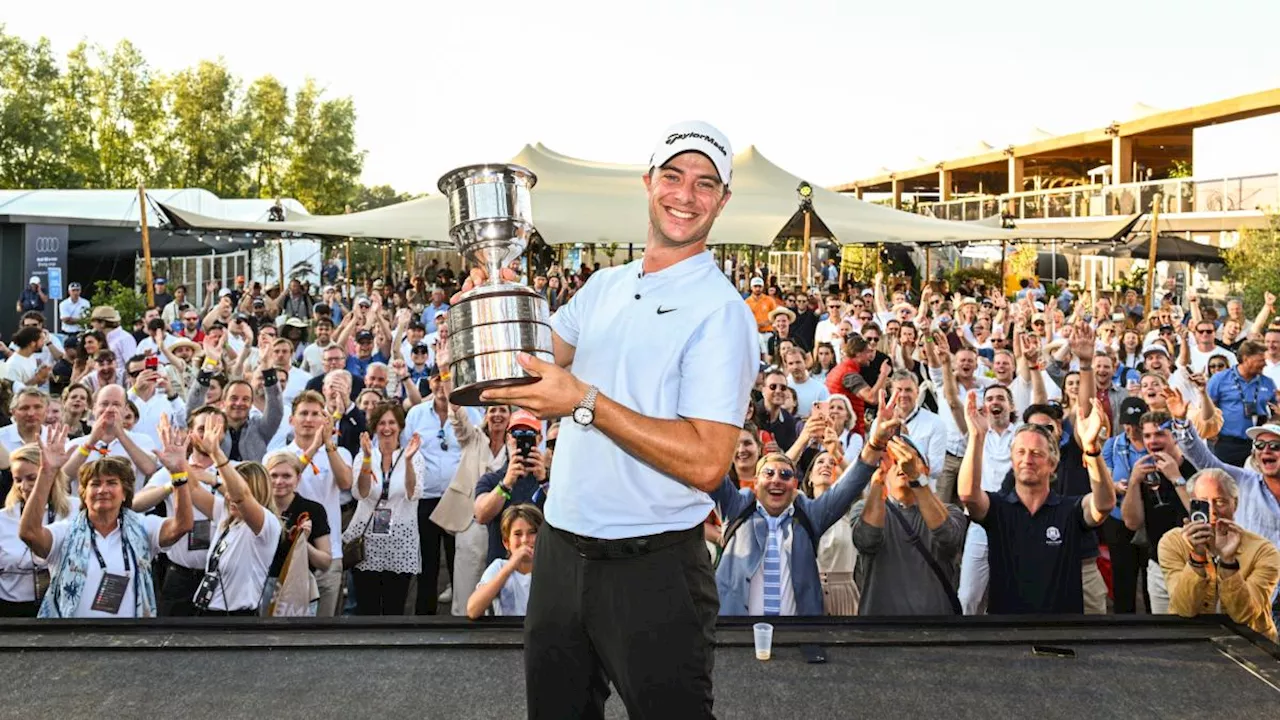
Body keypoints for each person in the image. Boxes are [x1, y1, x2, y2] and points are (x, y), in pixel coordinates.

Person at [480, 121, 757, 719]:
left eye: (706, 184)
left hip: (653, 568)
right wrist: (491, 305)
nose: (686, 194)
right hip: (559, 549)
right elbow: (521, 369)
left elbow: (709, 463)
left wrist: (586, 402)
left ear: (723, 201)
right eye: (674, 176)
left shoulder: (722, 312)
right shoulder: (604, 286)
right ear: (648, 182)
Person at [958, 394, 1116, 614]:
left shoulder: (1069, 510)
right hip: (1010, 631)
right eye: (1020, 452)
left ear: (1052, 464)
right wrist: (976, 437)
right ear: (1012, 461)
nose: (1027, 459)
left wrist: (1091, 448)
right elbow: (968, 496)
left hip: (1062, 630)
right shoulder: (998, 507)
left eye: (1036, 453)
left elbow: (1104, 504)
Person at [21, 425, 193, 617]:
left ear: (125, 493)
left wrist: (179, 475)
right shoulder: (65, 532)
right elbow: (29, 533)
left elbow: (182, 525)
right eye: (95, 484)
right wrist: (47, 472)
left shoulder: (143, 528)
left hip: (131, 639)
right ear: (84, 494)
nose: (102, 490)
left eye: (111, 483)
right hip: (71, 639)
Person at [852, 433, 967, 615]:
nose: (901, 465)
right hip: (880, 632)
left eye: (909, 459)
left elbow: (948, 537)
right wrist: (877, 482)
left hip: (937, 630)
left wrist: (916, 477)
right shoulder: (863, 509)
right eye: (893, 460)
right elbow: (867, 540)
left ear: (926, 470)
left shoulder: (951, 512)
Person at [1159, 468, 1279, 641]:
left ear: (1235, 504)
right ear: (1191, 504)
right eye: (1203, 503)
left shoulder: (1263, 550)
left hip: (1251, 644)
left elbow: (1245, 615)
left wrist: (1228, 562)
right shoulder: (1173, 542)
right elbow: (1184, 609)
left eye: (1220, 502)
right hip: (1193, 640)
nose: (1212, 511)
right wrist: (1197, 557)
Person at [181, 414, 282, 616]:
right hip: (205, 611)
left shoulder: (265, 524)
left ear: (258, 492)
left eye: (233, 490)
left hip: (235, 619)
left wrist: (217, 454)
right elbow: (192, 489)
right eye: (227, 490)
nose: (229, 496)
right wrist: (179, 462)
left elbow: (241, 496)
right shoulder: (227, 515)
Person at [343, 404, 424, 616]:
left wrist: (407, 461)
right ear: (375, 427)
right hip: (367, 540)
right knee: (367, 607)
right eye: (381, 423)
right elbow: (361, 493)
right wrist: (368, 458)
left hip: (400, 539)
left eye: (391, 423)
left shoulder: (413, 456)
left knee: (394, 607)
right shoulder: (364, 456)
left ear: (400, 427)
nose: (386, 428)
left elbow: (412, 493)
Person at [0, 443, 78, 616]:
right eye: (18, 480)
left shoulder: (77, 509)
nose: (24, 486)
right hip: (13, 609)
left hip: (65, 605)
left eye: (32, 478)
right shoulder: (3, 518)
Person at [474, 410, 547, 564]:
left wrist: (544, 481)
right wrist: (506, 484)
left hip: (542, 567)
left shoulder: (552, 481)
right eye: (516, 434)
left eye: (529, 434)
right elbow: (481, 515)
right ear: (508, 438)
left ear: (539, 438)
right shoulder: (491, 480)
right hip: (502, 569)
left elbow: (566, 513)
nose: (522, 440)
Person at [263, 451, 331, 614]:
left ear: (298, 479)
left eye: (286, 476)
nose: (279, 481)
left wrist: (301, 542)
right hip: (261, 586)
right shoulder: (259, 509)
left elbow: (325, 562)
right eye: (274, 475)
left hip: (298, 586)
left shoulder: (313, 510)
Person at [466, 503, 542, 619]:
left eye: (532, 532)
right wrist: (509, 568)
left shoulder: (551, 567)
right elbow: (473, 610)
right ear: (506, 542)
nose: (525, 540)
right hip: (506, 633)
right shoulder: (499, 567)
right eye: (518, 534)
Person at [1207, 341, 1276, 466]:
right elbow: (1208, 408)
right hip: (1227, 443)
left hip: (1258, 444)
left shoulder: (1268, 383)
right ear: (1246, 359)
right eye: (1260, 360)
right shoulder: (1220, 379)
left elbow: (1276, 411)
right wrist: (1212, 433)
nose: (1264, 364)